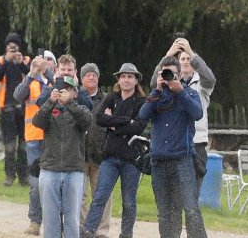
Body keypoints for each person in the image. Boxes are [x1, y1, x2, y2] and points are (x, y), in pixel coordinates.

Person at [138, 56, 207, 238]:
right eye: (165, 73)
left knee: (191, 209)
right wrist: (157, 90)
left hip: (182, 159)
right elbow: (142, 116)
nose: (168, 77)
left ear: (179, 74)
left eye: (171, 74)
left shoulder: (189, 93)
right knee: (165, 212)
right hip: (159, 161)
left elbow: (197, 113)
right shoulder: (156, 96)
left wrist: (180, 91)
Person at [82, 63, 147, 238]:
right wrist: (127, 121)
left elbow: (139, 127)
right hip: (110, 157)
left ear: (136, 81)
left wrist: (114, 122)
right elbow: (100, 119)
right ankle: (89, 231)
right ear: (118, 79)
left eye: (130, 77)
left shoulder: (142, 102)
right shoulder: (112, 98)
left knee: (129, 201)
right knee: (100, 196)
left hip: (132, 158)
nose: (126, 80)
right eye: (123, 76)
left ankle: (126, 233)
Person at [149, 35, 215, 200]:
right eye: (182, 58)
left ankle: (192, 225)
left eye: (188, 59)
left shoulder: (202, 85)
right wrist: (168, 55)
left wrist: (190, 52)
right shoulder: (167, 84)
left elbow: (210, 78)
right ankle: (174, 225)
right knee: (173, 196)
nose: (186, 61)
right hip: (175, 145)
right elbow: (152, 84)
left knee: (192, 196)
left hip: (197, 143)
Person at [32, 75, 93, 238]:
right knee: (50, 219)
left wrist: (70, 104)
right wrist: (50, 102)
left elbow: (87, 122)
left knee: (72, 219)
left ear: (75, 93)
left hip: (74, 171)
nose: (64, 92)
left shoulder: (81, 110)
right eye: (61, 89)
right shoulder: (49, 110)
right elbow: (37, 122)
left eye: (69, 89)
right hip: (49, 169)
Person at [14, 54, 51, 235]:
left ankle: (55, 223)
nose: (43, 66)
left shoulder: (56, 82)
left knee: (54, 183)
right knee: (36, 183)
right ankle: (35, 222)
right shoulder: (31, 82)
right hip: (34, 138)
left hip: (54, 139)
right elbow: (18, 95)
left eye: (47, 63)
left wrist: (47, 74)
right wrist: (30, 74)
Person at [0, 32, 30, 189]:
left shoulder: (26, 60)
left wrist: (21, 63)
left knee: (23, 144)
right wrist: (7, 61)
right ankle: (9, 175)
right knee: (9, 144)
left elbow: (31, 75)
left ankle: (23, 176)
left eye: (15, 45)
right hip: (6, 106)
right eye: (10, 46)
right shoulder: (0, 60)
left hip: (24, 108)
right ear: (6, 47)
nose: (13, 48)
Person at [78, 62, 111, 237]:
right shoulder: (75, 98)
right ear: (81, 78)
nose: (91, 77)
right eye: (88, 74)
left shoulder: (107, 100)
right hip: (79, 155)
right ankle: (83, 228)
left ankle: (101, 231)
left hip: (101, 155)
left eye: (94, 74)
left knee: (102, 196)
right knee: (80, 196)